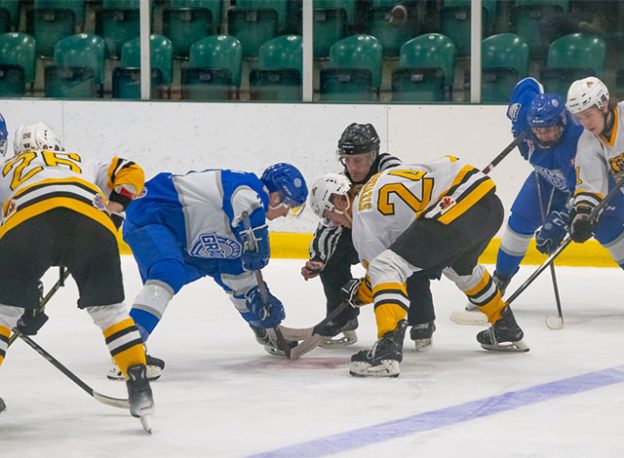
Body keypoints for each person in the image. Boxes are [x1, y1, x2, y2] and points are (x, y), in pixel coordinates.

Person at [311, 156, 529, 378]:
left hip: (455, 207)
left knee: (385, 266)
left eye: (329, 217)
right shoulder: (379, 180)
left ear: (339, 201)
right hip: (488, 205)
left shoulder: (363, 219)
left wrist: (356, 296)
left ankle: (387, 348)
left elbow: (381, 275)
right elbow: (442, 164)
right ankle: (505, 325)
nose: (335, 223)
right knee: (459, 267)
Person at [0, 122, 153, 421]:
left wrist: (22, 297)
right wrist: (115, 206)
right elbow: (131, 170)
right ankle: (139, 383)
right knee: (111, 313)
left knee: (2, 313)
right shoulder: (81, 159)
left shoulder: (7, 169)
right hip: (92, 223)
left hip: (28, 224)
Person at [108, 162, 308, 380]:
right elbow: (244, 199)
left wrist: (264, 318)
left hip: (189, 242)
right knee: (168, 272)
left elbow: (242, 285)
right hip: (152, 214)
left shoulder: (241, 229)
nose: (287, 213)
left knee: (241, 278)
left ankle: (269, 336)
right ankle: (127, 352)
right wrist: (255, 233)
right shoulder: (248, 187)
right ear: (276, 196)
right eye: (289, 205)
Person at [301, 123, 436, 350]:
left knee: (406, 260)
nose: (351, 167)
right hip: (362, 234)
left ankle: (421, 318)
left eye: (358, 160)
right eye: (347, 160)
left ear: (373, 156)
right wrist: (319, 257)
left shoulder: (392, 170)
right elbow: (330, 222)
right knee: (331, 261)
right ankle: (343, 317)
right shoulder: (342, 181)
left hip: (396, 232)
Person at [565, 76, 624, 252]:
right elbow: (590, 184)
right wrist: (584, 215)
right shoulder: (587, 141)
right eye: (580, 118)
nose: (586, 123)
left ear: (604, 106)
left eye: (588, 115)